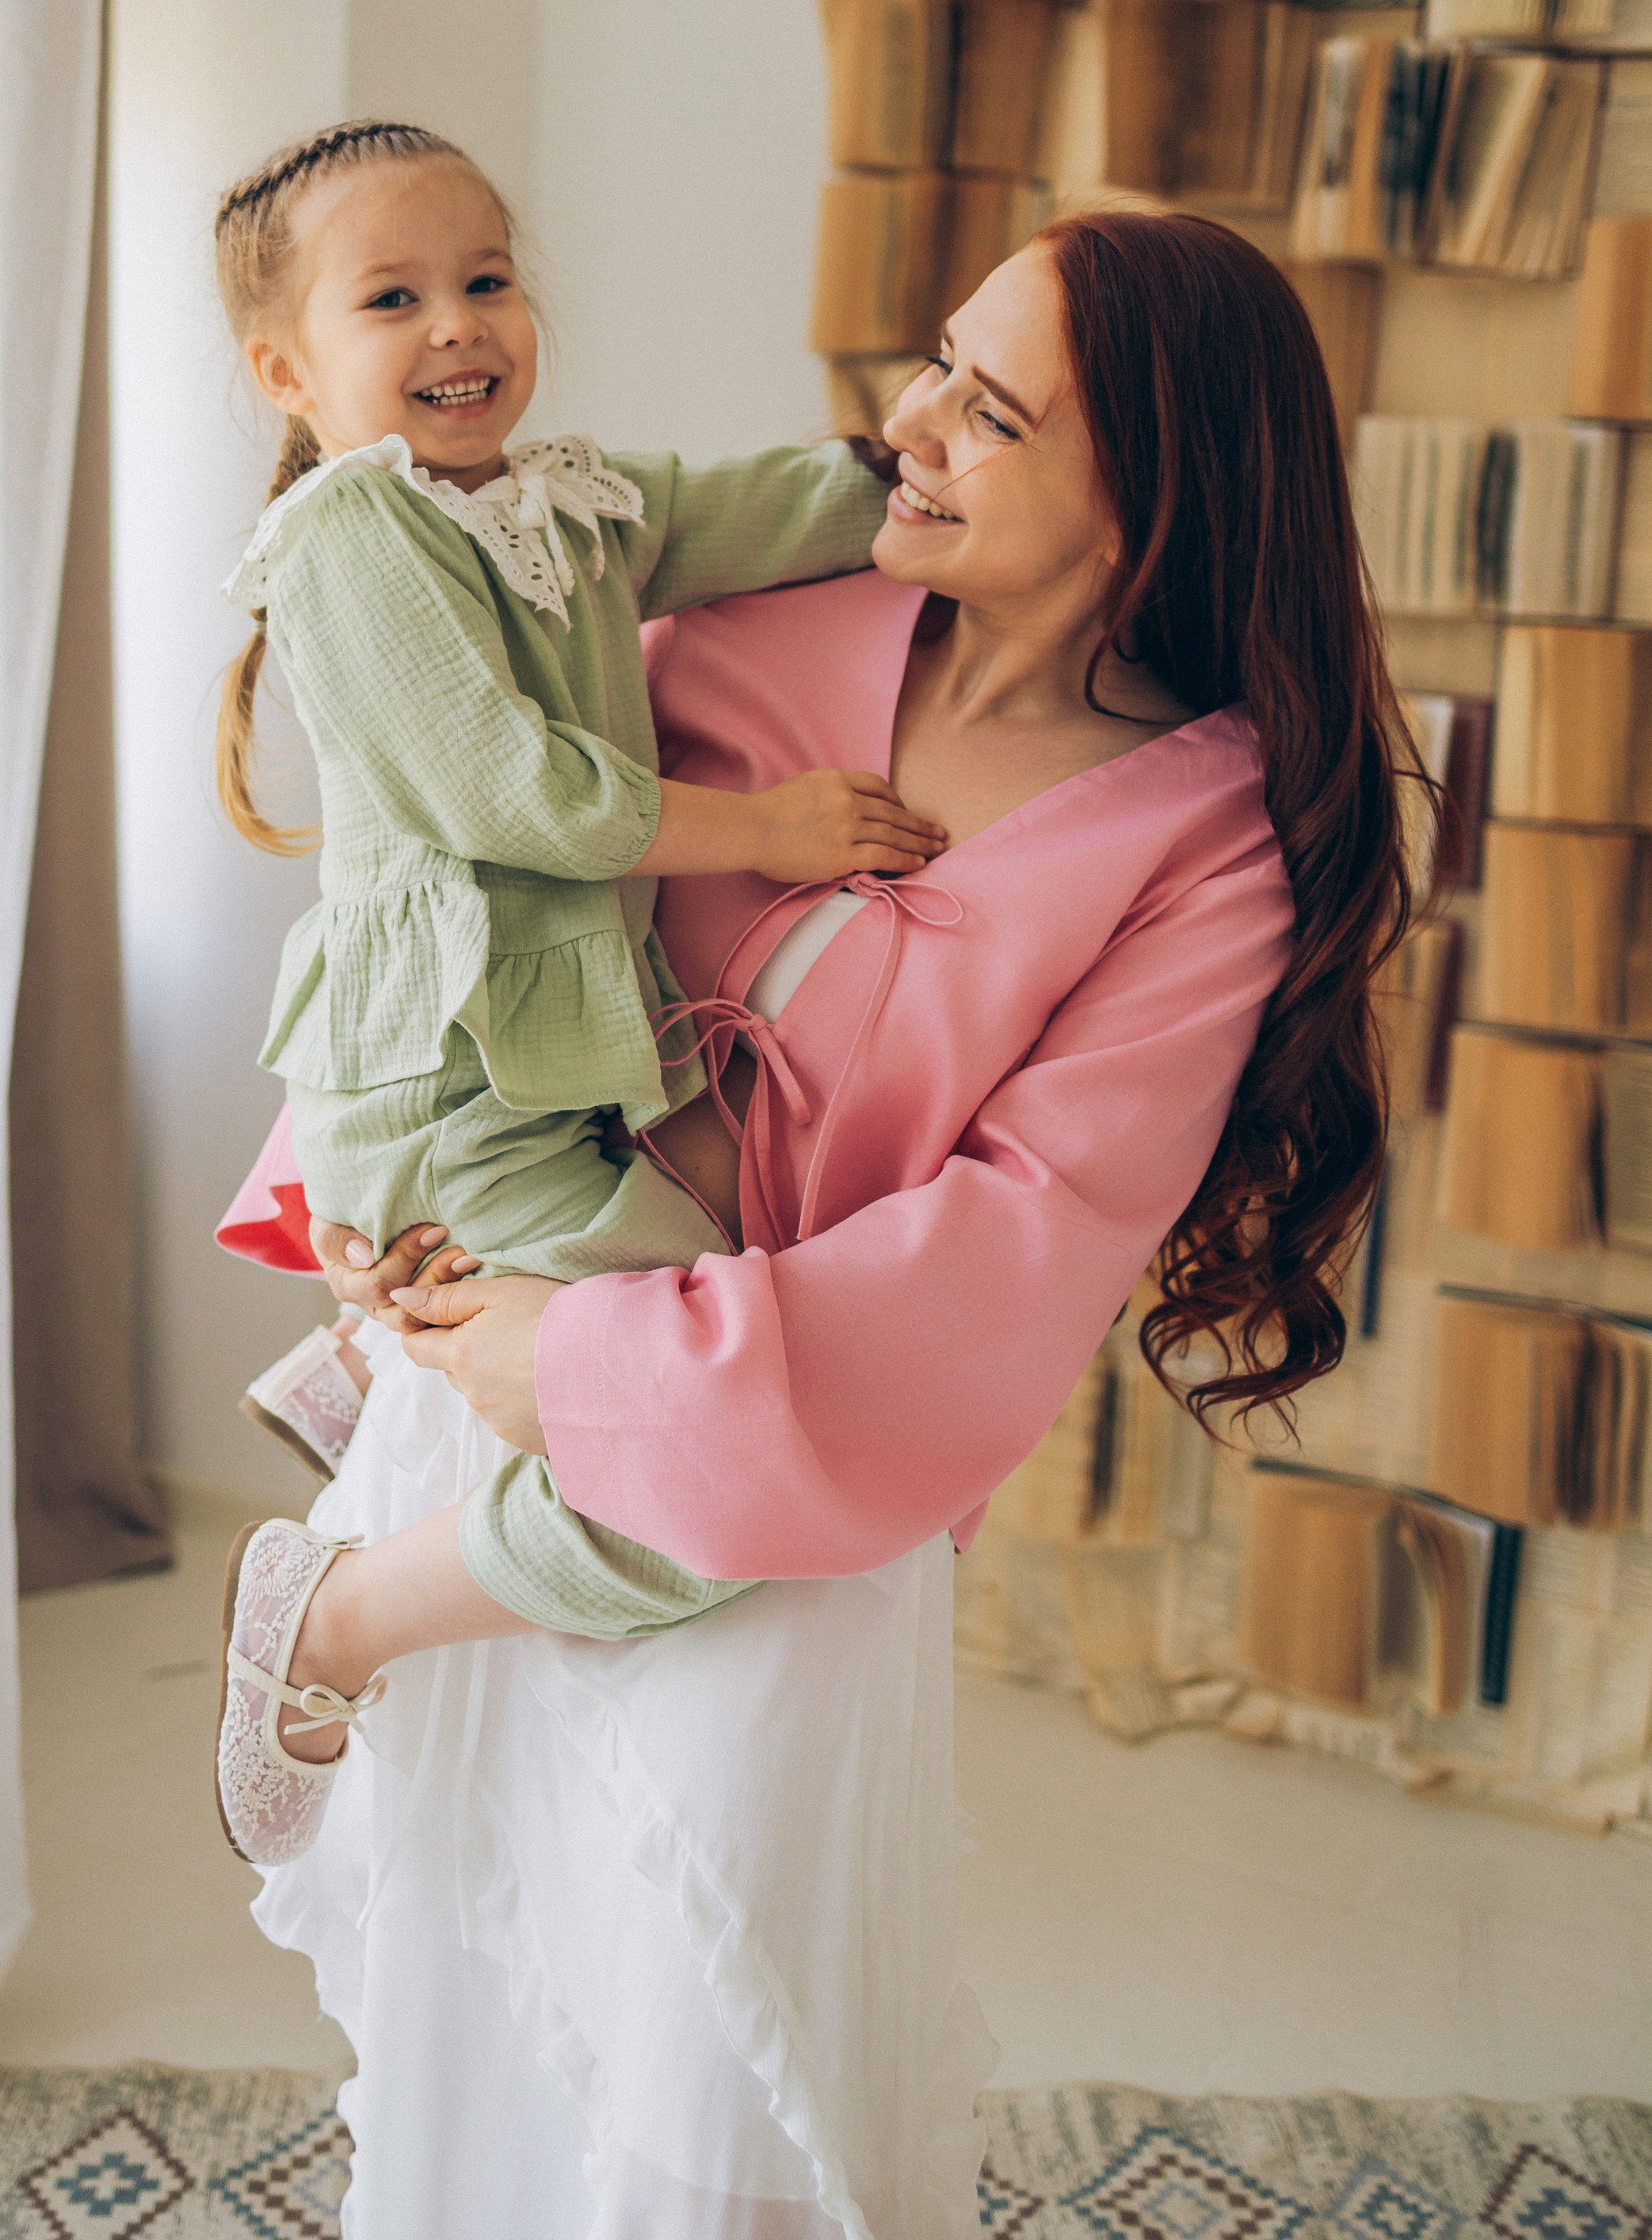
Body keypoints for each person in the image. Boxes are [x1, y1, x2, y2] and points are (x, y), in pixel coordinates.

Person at [231, 207, 1415, 2238]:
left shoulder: (1205, 847)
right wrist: (351, 1203)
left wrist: (595, 1357)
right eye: (937, 360)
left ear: (1150, 495)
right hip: (484, 1334)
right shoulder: (752, 623)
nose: (907, 421)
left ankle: (326, 1615)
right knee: (485, 2006)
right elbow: (460, 881)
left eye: (991, 411)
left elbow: (1018, 1242)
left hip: (790, 1456)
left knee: (709, 2049)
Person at [205, 116, 944, 1864]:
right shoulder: (346, 535)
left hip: (555, 1071)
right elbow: (512, 795)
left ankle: (375, 1347)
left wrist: (935, 451)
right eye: (394, 297)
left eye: (488, 278)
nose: (459, 324)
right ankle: (329, 1616)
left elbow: (767, 507)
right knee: (726, 1455)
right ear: (288, 371)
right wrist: (768, 826)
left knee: (728, 1346)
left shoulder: (566, 505)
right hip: (454, 1081)